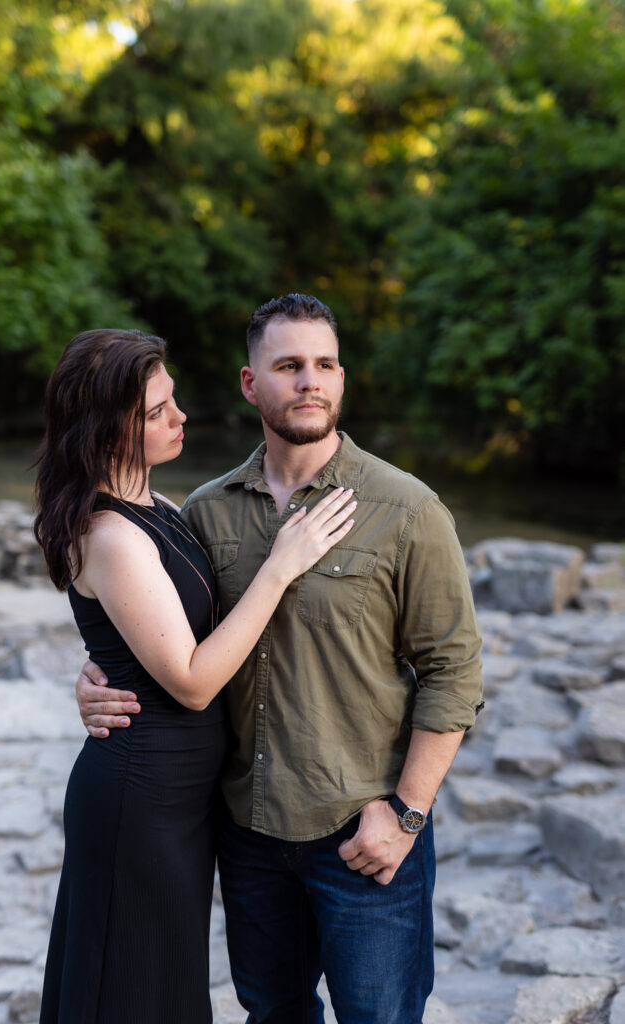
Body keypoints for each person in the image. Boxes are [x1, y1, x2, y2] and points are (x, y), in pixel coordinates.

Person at [76, 296, 484, 1024]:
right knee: (272, 1015)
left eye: (324, 365)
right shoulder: (202, 510)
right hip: (246, 834)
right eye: (289, 366)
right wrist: (96, 681)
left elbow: (452, 672)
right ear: (249, 383)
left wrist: (407, 814)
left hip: (362, 832)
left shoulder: (406, 509)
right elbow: (168, 637)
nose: (310, 382)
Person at [34, 327, 357, 1024]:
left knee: (164, 983)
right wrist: (283, 562)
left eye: (172, 401)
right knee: (130, 989)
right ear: (104, 427)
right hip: (138, 799)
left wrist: (93, 673)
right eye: (156, 412)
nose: (180, 418)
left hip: (179, 798)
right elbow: (189, 680)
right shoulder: (110, 533)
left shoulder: (163, 509)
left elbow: (156, 634)